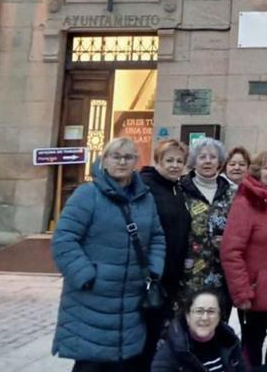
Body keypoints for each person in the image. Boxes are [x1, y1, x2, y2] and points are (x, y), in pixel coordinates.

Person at [52, 137, 166, 372]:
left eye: (128, 157)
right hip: (92, 300)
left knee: (126, 362)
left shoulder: (145, 199)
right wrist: (86, 276)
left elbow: (156, 237)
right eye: (115, 156)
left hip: (131, 300)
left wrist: (153, 271)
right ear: (104, 160)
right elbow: (64, 239)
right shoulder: (87, 195)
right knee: (92, 362)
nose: (122, 162)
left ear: (136, 162)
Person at [221, 150, 267, 368]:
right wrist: (241, 291)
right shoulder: (246, 202)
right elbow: (231, 251)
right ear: (257, 171)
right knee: (252, 348)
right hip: (255, 292)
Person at [152, 287, 267, 372]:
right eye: (199, 311)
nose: (204, 317)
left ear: (220, 316)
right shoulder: (169, 353)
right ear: (188, 316)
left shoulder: (227, 337)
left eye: (211, 311)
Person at [138, 139, 191, 369]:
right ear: (158, 161)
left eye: (179, 161)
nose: (174, 165)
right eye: (169, 160)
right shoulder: (145, 187)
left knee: (155, 339)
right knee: (142, 339)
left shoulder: (177, 189)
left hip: (170, 278)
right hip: (149, 277)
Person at [179, 138, 237, 317]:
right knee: (190, 322)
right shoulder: (181, 189)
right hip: (188, 272)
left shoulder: (232, 192)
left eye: (212, 157)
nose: (207, 161)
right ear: (193, 161)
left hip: (222, 273)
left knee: (217, 323)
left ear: (220, 162)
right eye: (202, 157)